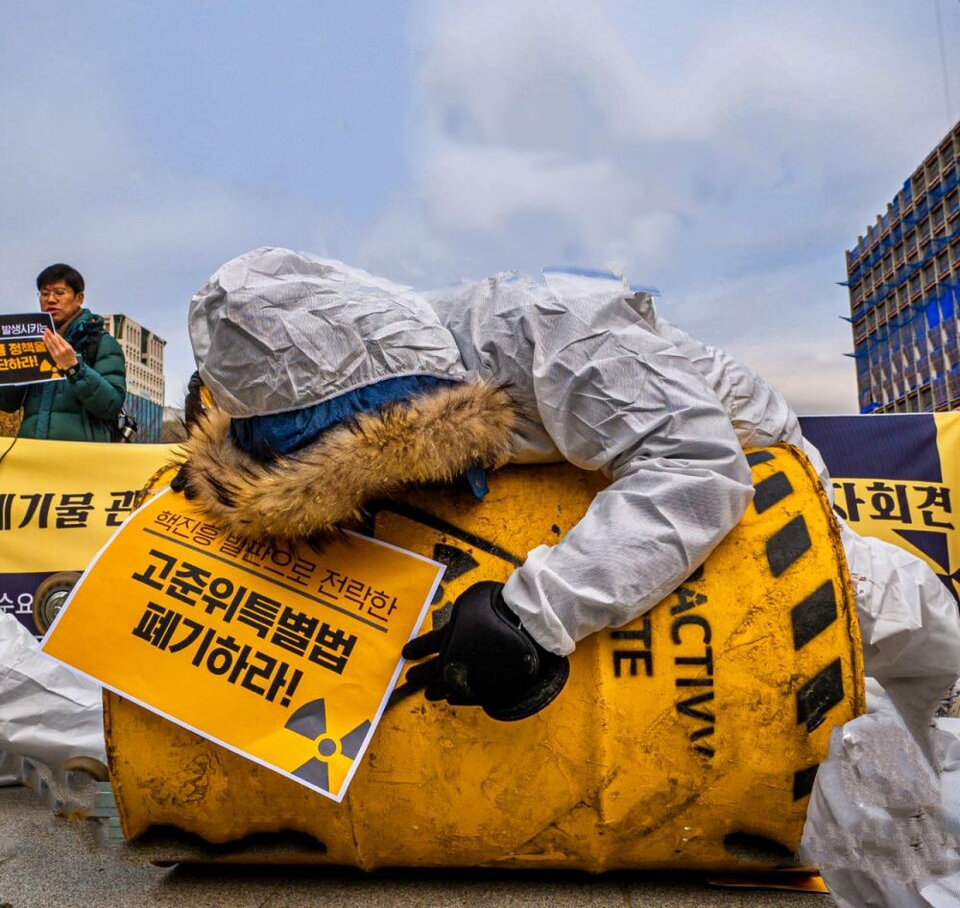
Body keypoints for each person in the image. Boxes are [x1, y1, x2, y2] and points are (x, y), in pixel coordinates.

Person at [176, 247, 960, 726]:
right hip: (579, 476)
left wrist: (534, 614)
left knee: (868, 602)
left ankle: (942, 714)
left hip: (744, 467)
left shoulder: (557, 332)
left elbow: (696, 468)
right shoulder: (332, 377)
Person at [0, 263, 126, 442]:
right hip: (31, 458)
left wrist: (74, 368)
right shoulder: (31, 340)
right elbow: (7, 404)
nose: (51, 299)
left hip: (80, 461)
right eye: (44, 293)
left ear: (79, 298)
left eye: (60, 292)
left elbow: (110, 405)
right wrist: (13, 367)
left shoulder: (100, 342)